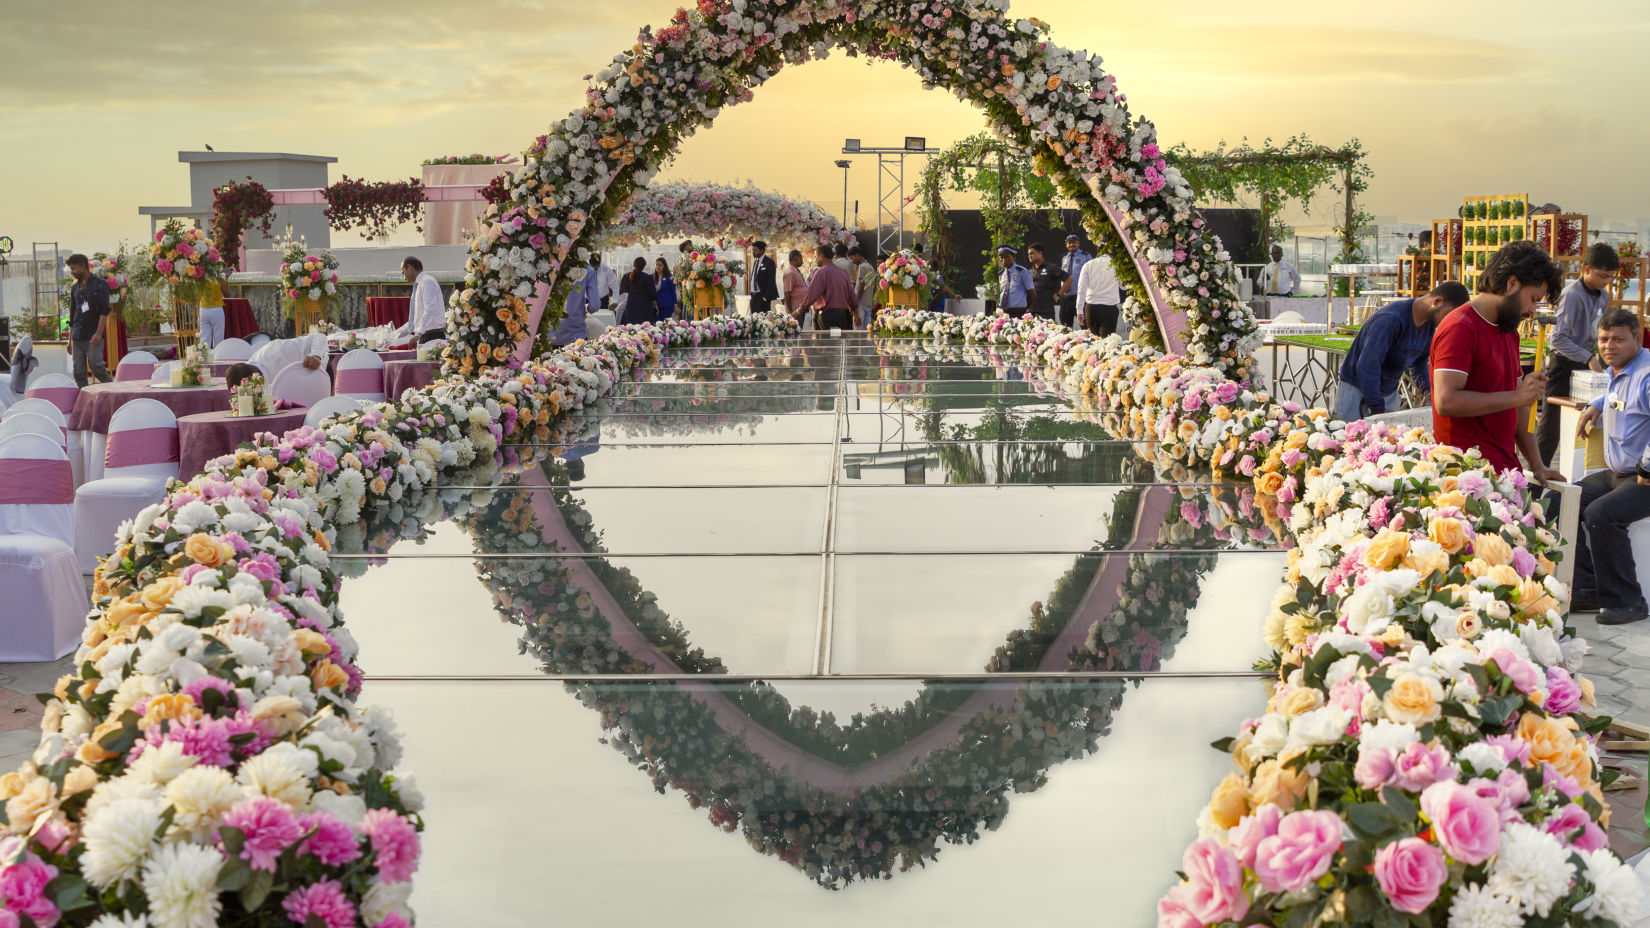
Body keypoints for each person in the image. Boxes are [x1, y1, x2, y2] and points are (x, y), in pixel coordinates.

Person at [1430, 240, 1563, 479]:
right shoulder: (1460, 326)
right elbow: (1445, 400)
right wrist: (1517, 396)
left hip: (1503, 470)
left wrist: (1537, 464)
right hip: (1465, 475)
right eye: (1533, 298)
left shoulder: (1508, 331)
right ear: (1512, 284)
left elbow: (1519, 405)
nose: (1533, 310)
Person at [1571, 309, 1650, 623]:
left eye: (1619, 339)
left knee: (1601, 514)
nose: (1609, 346)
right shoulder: (1618, 371)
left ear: (1637, 339)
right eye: (1604, 339)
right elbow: (1615, 396)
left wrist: (1647, 466)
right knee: (1560, 501)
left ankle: (1627, 601)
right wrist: (1595, 405)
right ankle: (1586, 587)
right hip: (1618, 474)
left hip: (1644, 477)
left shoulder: (1646, 373)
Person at [1333, 281, 1471, 421]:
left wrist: (1430, 392)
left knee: (1387, 441)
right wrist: (1377, 408)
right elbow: (1367, 367)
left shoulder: (1428, 326)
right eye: (1449, 315)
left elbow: (1418, 364)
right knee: (1348, 440)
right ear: (1437, 301)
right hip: (1356, 392)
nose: (1449, 322)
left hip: (1387, 393)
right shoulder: (1391, 319)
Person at [1536, 242, 1619, 464]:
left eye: (1610, 277)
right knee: (1550, 429)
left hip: (1586, 365)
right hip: (1563, 365)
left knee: (1588, 421)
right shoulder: (1572, 295)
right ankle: (1533, 484)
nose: (1606, 281)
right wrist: (1589, 357)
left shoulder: (1603, 295)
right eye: (1603, 276)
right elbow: (1557, 338)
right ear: (1587, 269)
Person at [64, 254, 112, 387]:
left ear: (83, 267)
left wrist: (98, 333)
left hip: (93, 335)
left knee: (96, 368)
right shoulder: (74, 288)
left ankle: (114, 390)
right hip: (77, 336)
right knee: (78, 373)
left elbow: (105, 311)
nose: (72, 272)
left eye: (74, 269)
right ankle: (84, 399)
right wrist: (69, 340)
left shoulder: (100, 284)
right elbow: (73, 313)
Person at [797, 244, 858, 330]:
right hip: (843, 315)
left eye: (816, 257)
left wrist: (799, 310)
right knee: (840, 341)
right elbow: (852, 295)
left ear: (821, 256)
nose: (815, 259)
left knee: (827, 342)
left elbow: (811, 295)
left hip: (827, 316)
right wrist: (856, 312)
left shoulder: (821, 272)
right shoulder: (843, 272)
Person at [394, 256, 447, 345]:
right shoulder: (420, 284)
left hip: (432, 336)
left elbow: (430, 309)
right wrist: (394, 335)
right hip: (426, 336)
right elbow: (414, 321)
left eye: (403, 272)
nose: (404, 278)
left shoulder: (426, 282)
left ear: (409, 267)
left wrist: (419, 333)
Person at [1074, 251, 1121, 336]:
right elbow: (1124, 286)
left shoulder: (1087, 265)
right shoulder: (1116, 265)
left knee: (1093, 341)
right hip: (1110, 308)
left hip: (1091, 308)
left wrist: (1079, 311)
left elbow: (1081, 290)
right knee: (1107, 342)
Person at [553, 264, 601, 346]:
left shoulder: (550, 267)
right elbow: (594, 305)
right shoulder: (587, 270)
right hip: (576, 334)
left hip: (551, 332)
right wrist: (586, 310)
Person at [248, 332, 327, 378]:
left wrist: (316, 357)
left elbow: (319, 337)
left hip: (321, 376)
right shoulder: (249, 364)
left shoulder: (280, 350)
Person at [1056, 234, 1091, 328]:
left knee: (1086, 326)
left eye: (1074, 242)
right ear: (1066, 244)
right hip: (1066, 298)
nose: (1072, 244)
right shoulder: (1064, 258)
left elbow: (1091, 275)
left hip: (1080, 297)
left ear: (1078, 243)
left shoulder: (1086, 256)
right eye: (1069, 243)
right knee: (1065, 327)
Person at [1026, 243, 1066, 321]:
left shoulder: (1051, 268)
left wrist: (1059, 294)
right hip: (1031, 311)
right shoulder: (1029, 271)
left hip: (1046, 311)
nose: (1029, 256)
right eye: (1028, 254)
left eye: (1032, 253)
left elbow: (1069, 279)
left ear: (1040, 253)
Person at [617, 257, 658, 325]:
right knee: (644, 329)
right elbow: (652, 294)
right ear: (644, 266)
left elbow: (623, 289)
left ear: (634, 265)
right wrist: (655, 305)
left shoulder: (627, 276)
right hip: (645, 306)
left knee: (629, 328)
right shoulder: (647, 278)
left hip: (631, 305)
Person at [994, 246, 1034, 314]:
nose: (1004, 260)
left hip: (1019, 312)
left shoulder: (1022, 271)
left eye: (1006, 256)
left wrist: (1025, 308)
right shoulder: (1001, 274)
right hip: (1004, 312)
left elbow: (1031, 293)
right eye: (1001, 257)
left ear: (1013, 256)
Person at [849, 246, 878, 324]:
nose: (852, 261)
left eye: (852, 258)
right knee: (866, 330)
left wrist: (855, 302)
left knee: (858, 329)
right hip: (868, 303)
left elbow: (861, 286)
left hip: (860, 304)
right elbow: (874, 286)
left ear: (857, 255)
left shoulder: (862, 267)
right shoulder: (870, 267)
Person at [749, 241, 779, 314]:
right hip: (754, 296)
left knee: (763, 321)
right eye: (753, 250)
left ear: (762, 250)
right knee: (753, 321)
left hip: (762, 297)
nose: (753, 252)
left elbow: (771, 281)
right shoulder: (756, 262)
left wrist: (765, 297)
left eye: (755, 250)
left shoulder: (769, 262)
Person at [197, 277, 226, 349]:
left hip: (203, 309)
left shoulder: (199, 279)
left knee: (204, 339)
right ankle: (217, 358)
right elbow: (227, 294)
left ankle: (204, 357)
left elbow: (196, 295)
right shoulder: (219, 279)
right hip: (216, 309)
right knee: (218, 338)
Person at [783, 249, 808, 318]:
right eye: (801, 259)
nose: (802, 262)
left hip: (800, 309)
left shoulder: (796, 271)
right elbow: (787, 293)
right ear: (795, 259)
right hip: (795, 311)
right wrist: (791, 313)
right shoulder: (790, 273)